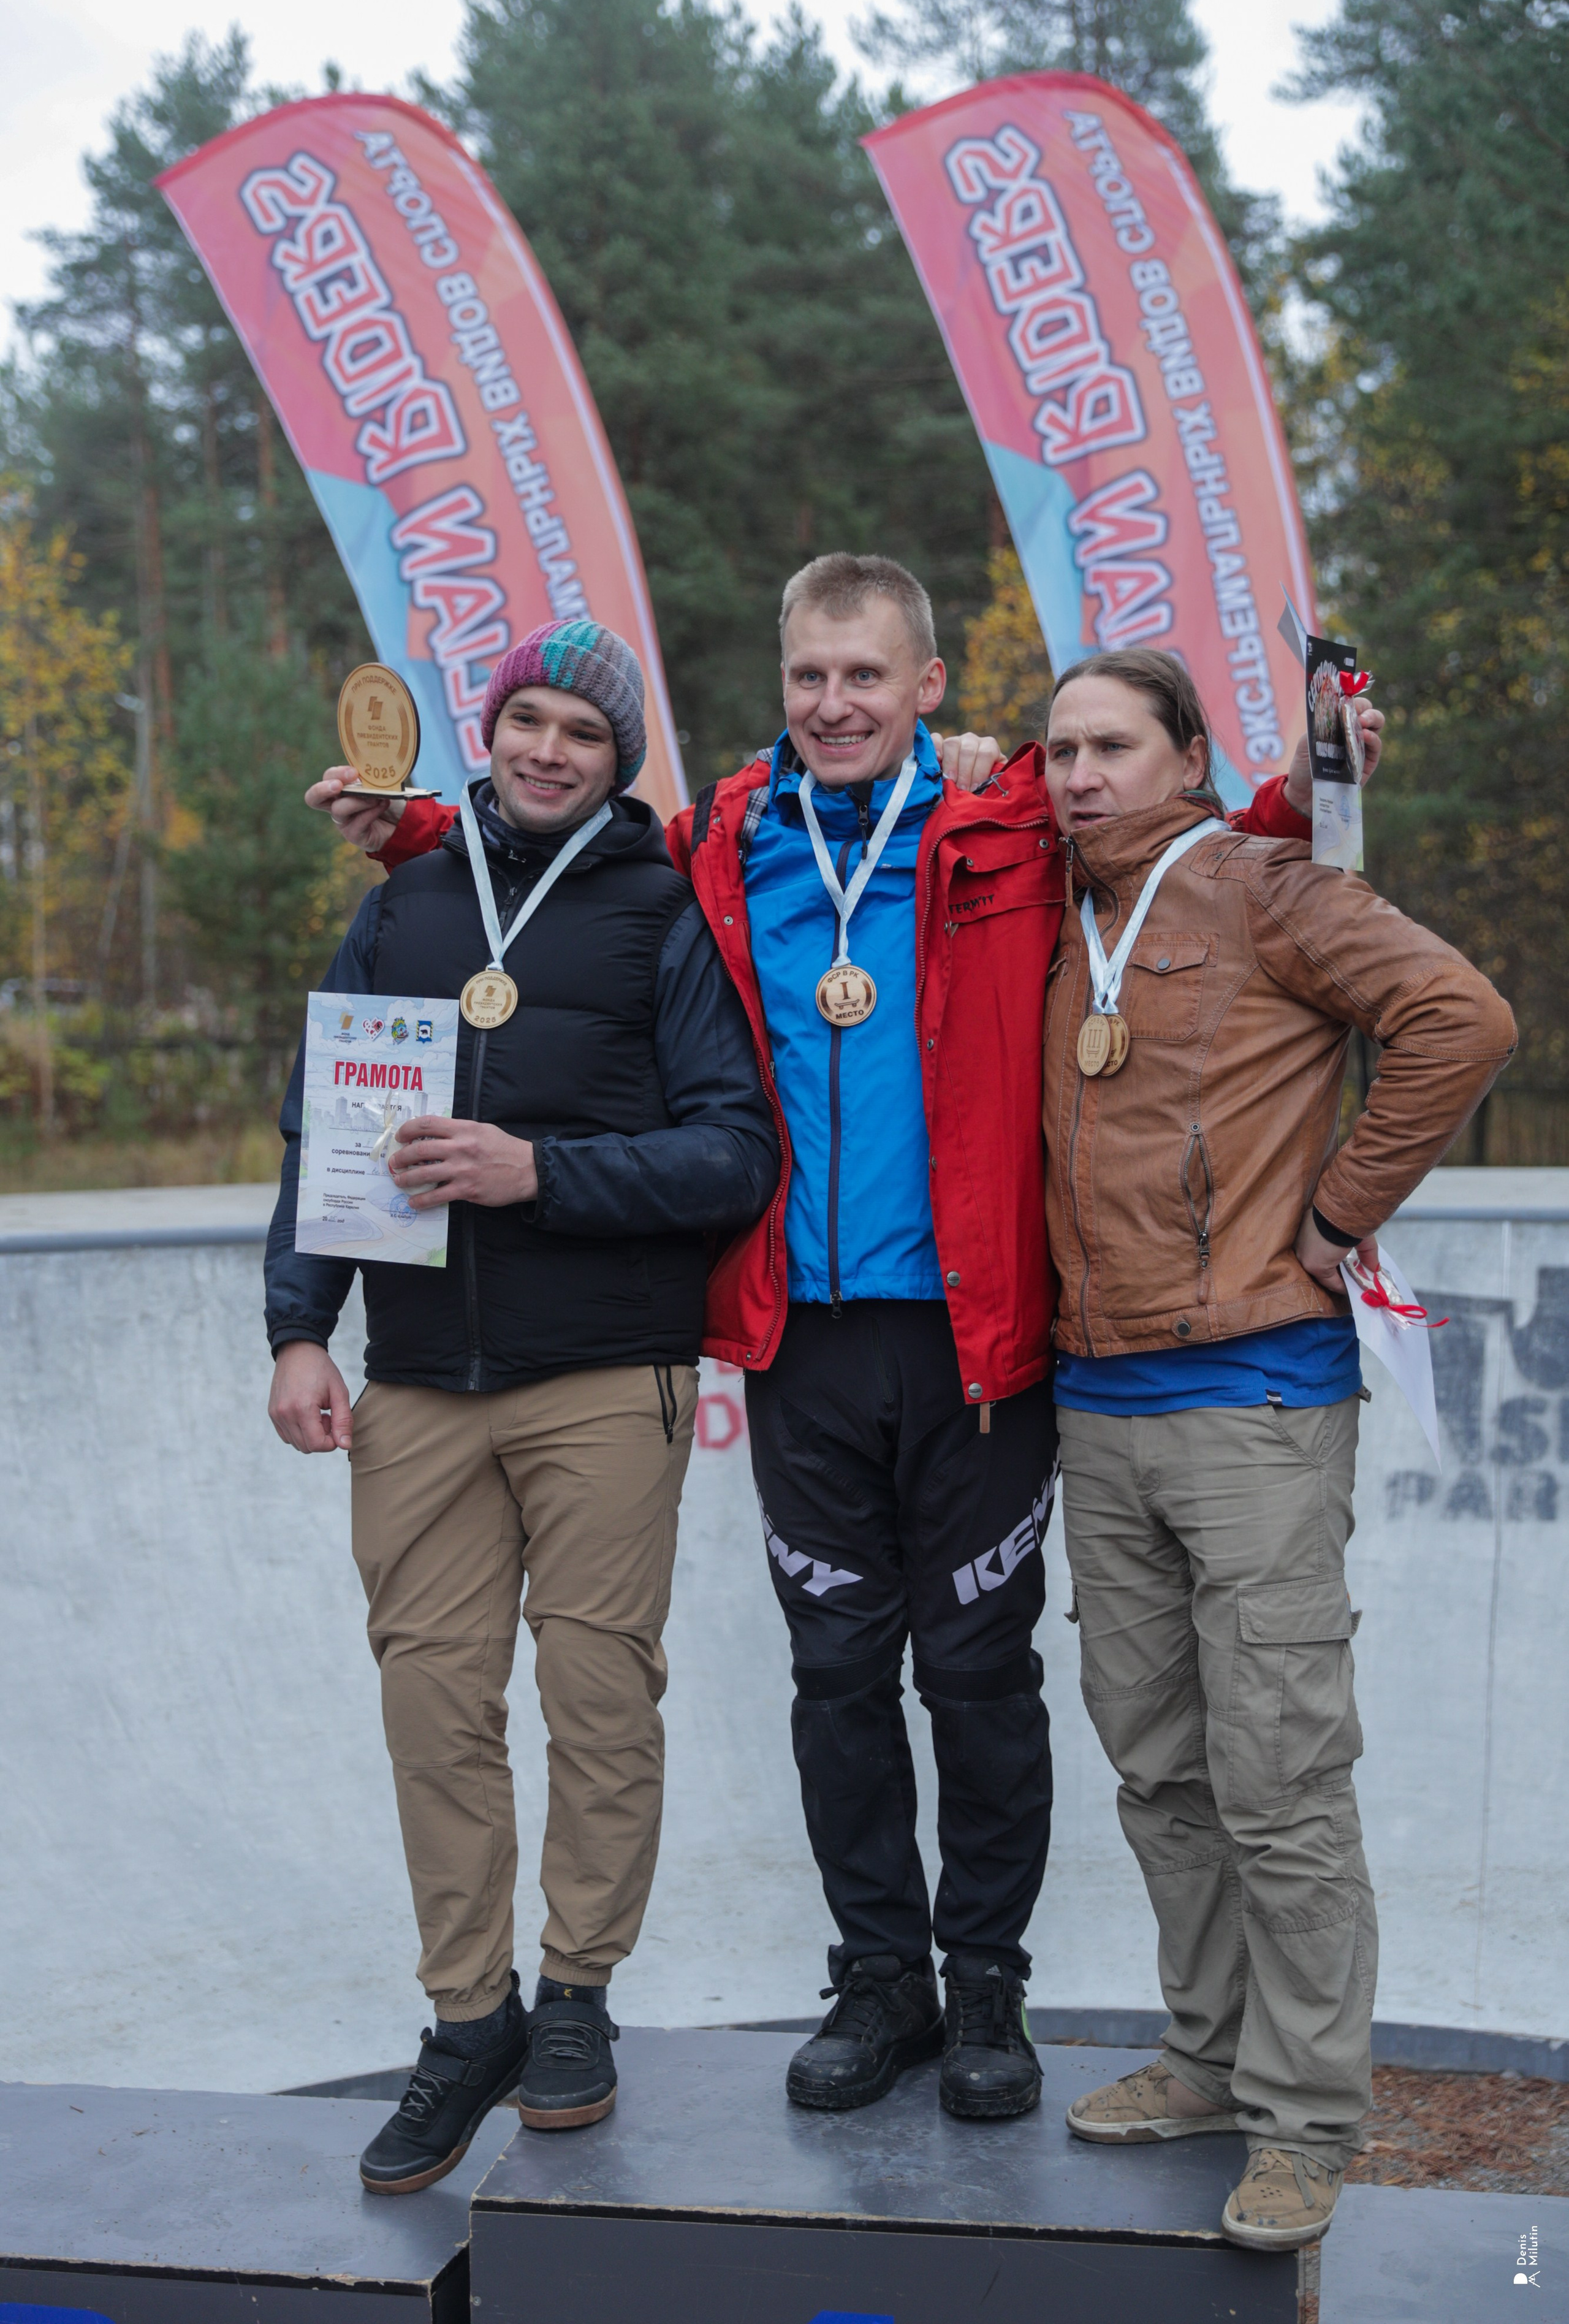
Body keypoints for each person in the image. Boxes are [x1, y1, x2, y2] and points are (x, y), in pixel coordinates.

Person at [317, 556, 1348, 2127]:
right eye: (809, 677)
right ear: (779, 686)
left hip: (976, 1340)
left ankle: (985, 1983)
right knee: (837, 1679)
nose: (835, 704)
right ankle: (879, 1984)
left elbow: (1170, 841)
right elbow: (560, 862)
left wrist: (1306, 783)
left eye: (866, 676)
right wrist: (409, 833)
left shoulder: (1002, 819)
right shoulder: (724, 841)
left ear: (927, 687)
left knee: (982, 1677)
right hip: (796, 1340)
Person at [265, 620, 778, 2193]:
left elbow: (733, 1151)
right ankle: (465, 2015)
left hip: (600, 1377)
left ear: (624, 759)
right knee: (433, 1709)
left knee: (599, 1703)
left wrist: (536, 1172)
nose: (550, 749)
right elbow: (320, 1129)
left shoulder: (658, 915)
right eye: (526, 721)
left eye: (584, 731)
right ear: (486, 734)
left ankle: (575, 1999)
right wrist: (299, 1331)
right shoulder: (407, 899)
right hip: (417, 1380)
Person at [1033, 648, 1514, 2252]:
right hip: (1095, 1415)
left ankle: (1307, 2118)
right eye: (1058, 752)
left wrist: (1336, 1216)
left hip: (1255, 1403)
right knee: (1164, 1772)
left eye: (1111, 746)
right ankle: (1208, 2053)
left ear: (1184, 756)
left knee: (1282, 1782)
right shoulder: (1056, 909)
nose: (1079, 775)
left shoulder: (1265, 886)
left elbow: (1460, 1017)